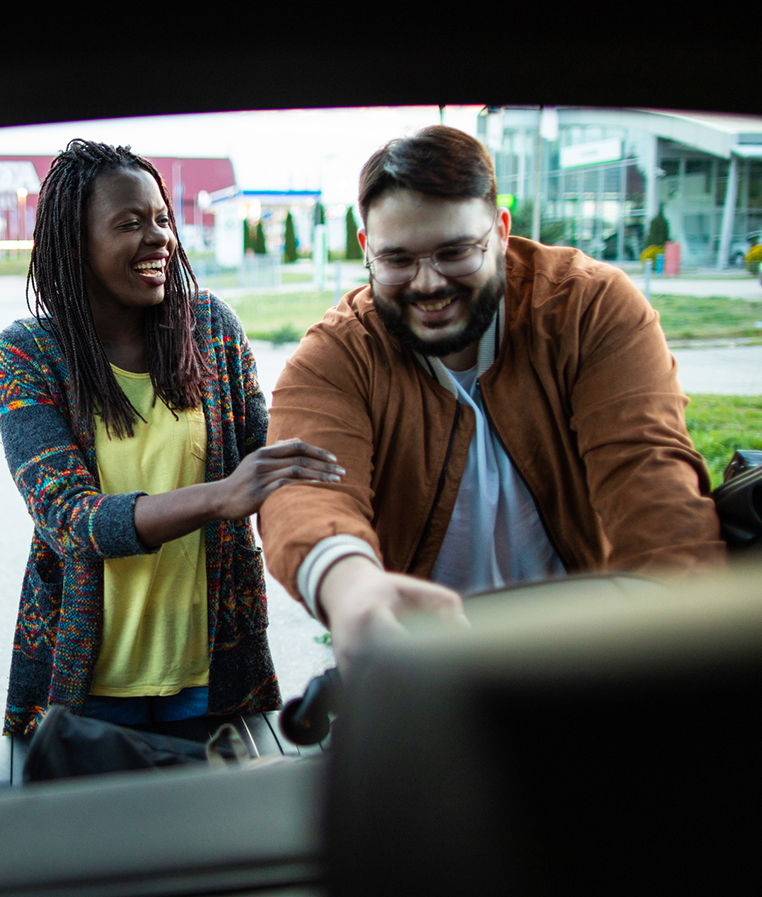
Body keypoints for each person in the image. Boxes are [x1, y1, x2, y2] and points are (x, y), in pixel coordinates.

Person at [258, 126, 726, 672]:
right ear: (366, 249)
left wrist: (679, 631)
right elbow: (305, 490)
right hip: (423, 667)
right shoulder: (338, 352)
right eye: (398, 260)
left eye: (455, 252)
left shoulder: (588, 306)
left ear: (501, 232)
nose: (427, 283)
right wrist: (350, 585)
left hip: (597, 654)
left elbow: (649, 474)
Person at [0, 140, 342, 736]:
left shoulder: (211, 328)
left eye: (162, 219)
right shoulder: (28, 353)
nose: (160, 239)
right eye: (130, 223)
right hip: (88, 681)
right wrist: (222, 497)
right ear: (76, 244)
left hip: (214, 668)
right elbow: (68, 518)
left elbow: (271, 455)